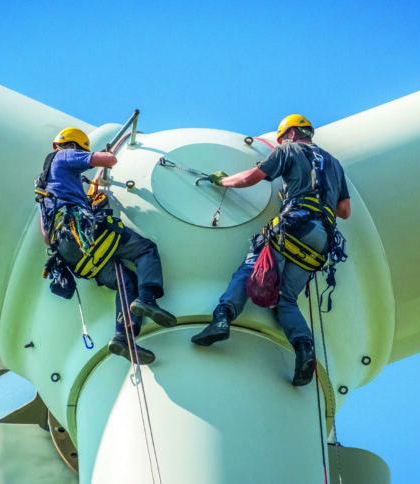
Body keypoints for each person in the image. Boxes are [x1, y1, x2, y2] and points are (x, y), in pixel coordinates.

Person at [190, 115, 351, 386]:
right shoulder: (334, 164)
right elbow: (344, 211)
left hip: (294, 224)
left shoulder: (288, 150)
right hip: (322, 239)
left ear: (289, 134)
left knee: (250, 270)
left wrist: (222, 181)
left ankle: (222, 319)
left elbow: (252, 178)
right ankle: (304, 348)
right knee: (286, 300)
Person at [37, 127, 176, 365]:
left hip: (70, 251)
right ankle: (148, 299)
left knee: (125, 281)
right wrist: (100, 157)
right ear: (75, 145)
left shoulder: (43, 186)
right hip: (82, 231)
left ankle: (123, 337)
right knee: (145, 249)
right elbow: (108, 160)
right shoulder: (66, 155)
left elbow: (46, 237)